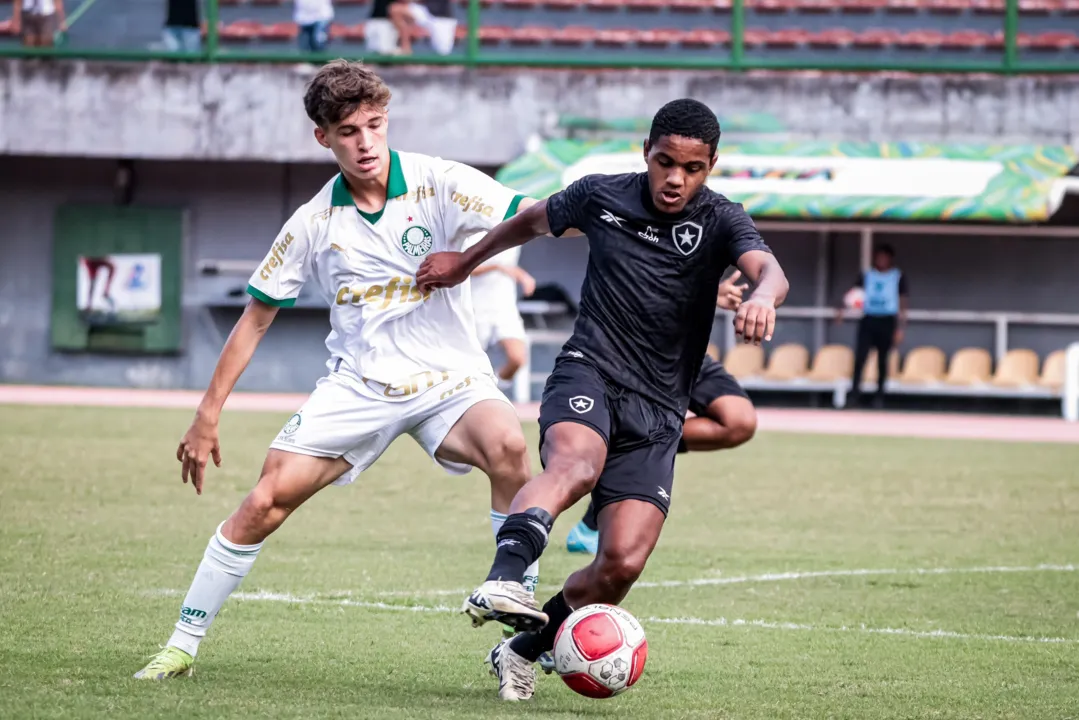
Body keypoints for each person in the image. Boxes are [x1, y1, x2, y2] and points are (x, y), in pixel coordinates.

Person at [133, 59, 545, 681]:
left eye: (375, 125)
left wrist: (467, 257)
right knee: (264, 501)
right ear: (323, 137)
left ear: (387, 121)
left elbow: (531, 214)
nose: (365, 142)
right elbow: (255, 319)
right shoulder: (313, 222)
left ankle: (517, 628)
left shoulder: (439, 182)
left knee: (510, 447)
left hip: (450, 381)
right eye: (348, 131)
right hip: (360, 386)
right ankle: (182, 646)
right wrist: (206, 414)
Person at [416, 98, 789, 701]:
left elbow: (768, 269)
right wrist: (465, 261)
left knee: (621, 564)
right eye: (665, 162)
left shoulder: (722, 218)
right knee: (575, 466)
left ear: (711, 165)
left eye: (691, 168)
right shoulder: (599, 195)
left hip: (661, 408)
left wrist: (764, 297)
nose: (675, 178)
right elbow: (529, 222)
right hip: (590, 371)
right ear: (646, 152)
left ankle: (521, 649)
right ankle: (505, 578)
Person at [564, 270, 757, 555]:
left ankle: (625, 447)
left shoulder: (711, 227)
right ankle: (590, 525)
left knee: (739, 421)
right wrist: (707, 294)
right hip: (634, 354)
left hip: (686, 353)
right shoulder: (629, 230)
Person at [463, 231, 536, 394]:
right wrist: (497, 267)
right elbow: (464, 267)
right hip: (476, 306)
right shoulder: (473, 232)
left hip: (504, 306)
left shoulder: (513, 229)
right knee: (470, 366)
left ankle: (493, 390)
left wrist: (521, 275)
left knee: (517, 358)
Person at [839, 243, 909, 409]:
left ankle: (879, 397)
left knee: (883, 361)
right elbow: (853, 294)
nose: (881, 260)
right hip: (869, 319)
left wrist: (900, 327)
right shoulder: (867, 275)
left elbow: (903, 302)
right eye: (879, 257)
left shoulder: (897, 276)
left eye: (884, 257)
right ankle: (855, 395)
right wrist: (842, 311)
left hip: (887, 320)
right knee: (860, 358)